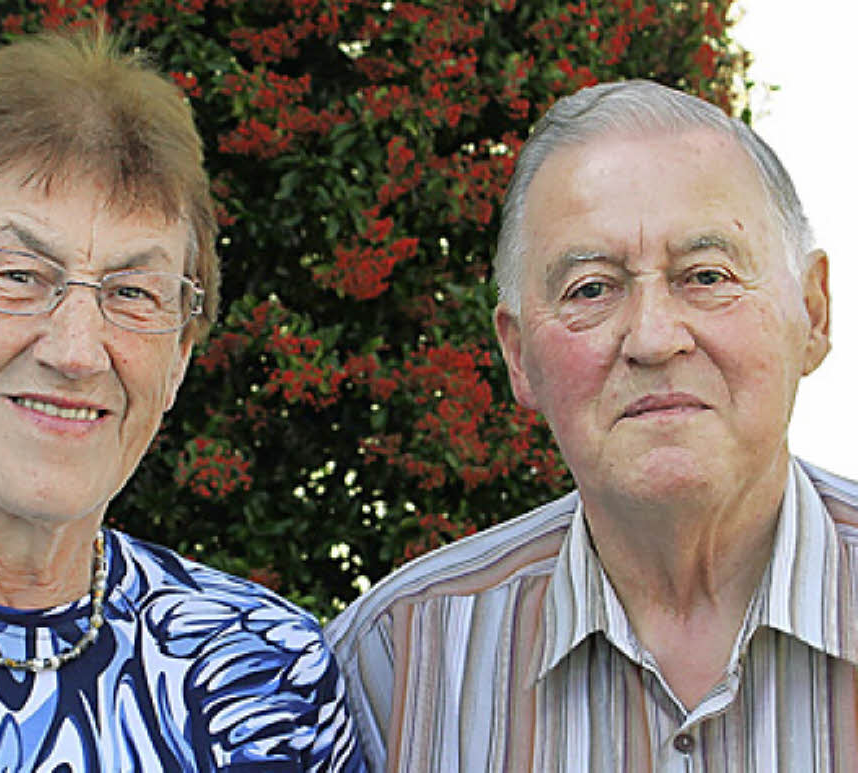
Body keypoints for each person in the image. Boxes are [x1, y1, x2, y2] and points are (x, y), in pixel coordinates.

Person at [0, 28, 364, 771]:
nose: (77, 351)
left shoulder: (263, 678)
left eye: (133, 292)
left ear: (180, 352)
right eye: (18, 275)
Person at [326, 79, 857, 771]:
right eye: (592, 289)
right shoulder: (394, 662)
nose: (654, 337)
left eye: (706, 275)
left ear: (812, 315)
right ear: (519, 356)